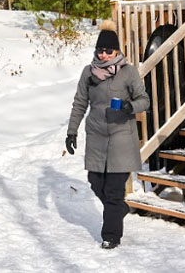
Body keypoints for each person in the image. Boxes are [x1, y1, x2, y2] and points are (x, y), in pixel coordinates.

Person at [65, 20, 149, 250]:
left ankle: (111, 235)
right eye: (100, 50)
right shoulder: (88, 73)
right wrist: (71, 131)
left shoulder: (128, 72)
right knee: (95, 183)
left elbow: (144, 100)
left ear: (117, 51)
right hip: (96, 137)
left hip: (121, 137)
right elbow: (80, 102)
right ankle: (119, 209)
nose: (103, 55)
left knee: (113, 190)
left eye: (108, 51)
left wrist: (128, 107)